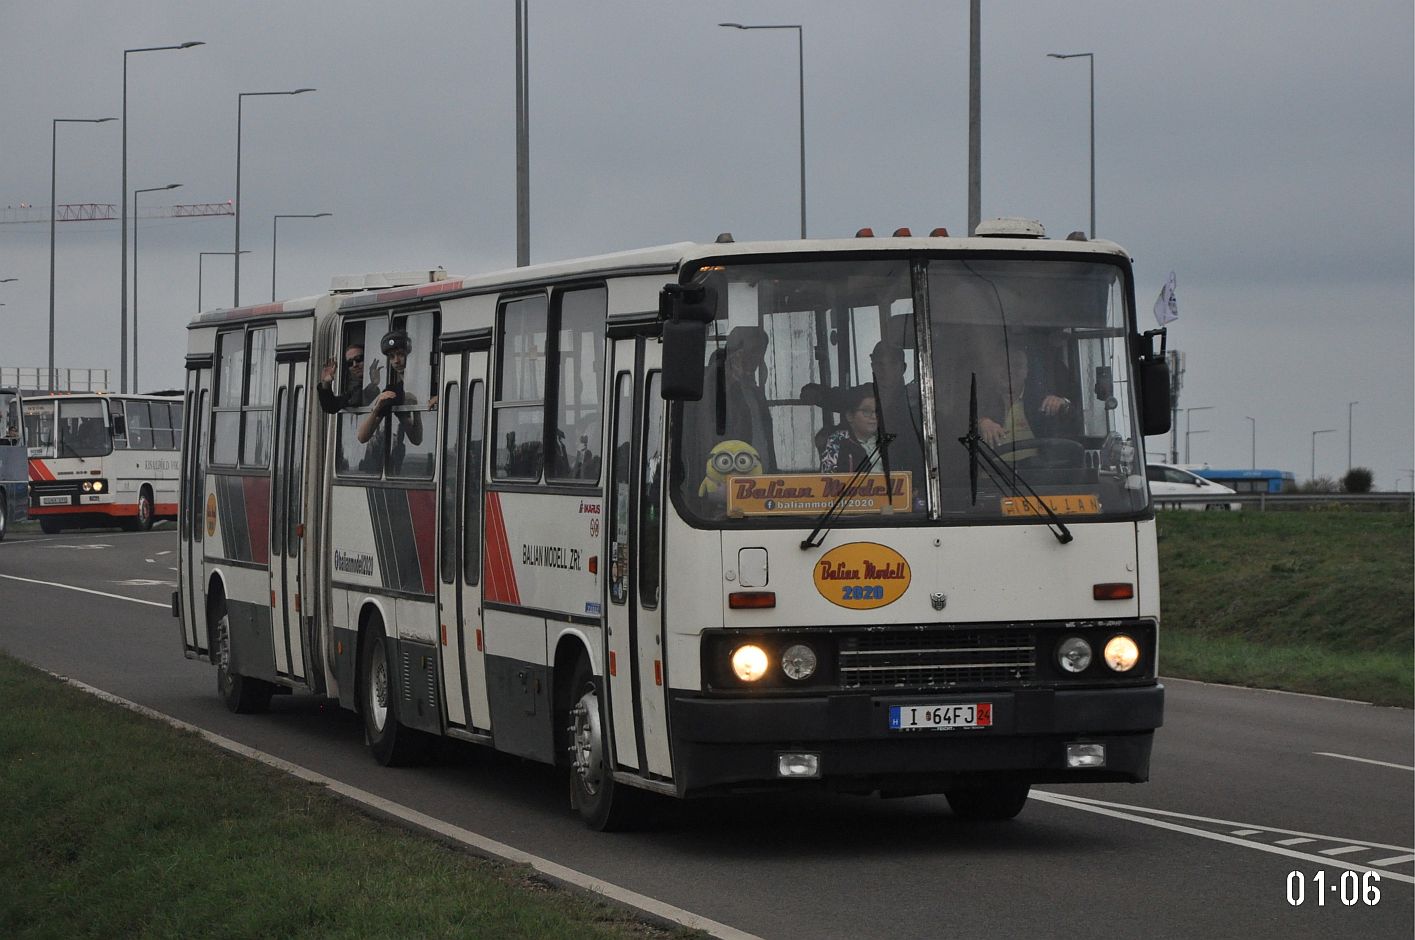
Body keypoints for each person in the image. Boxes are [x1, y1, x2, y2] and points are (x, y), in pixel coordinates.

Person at [357, 330, 435, 472]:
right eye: (392, 357)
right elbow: (362, 437)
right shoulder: (394, 391)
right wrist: (377, 407)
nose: (396, 361)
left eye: (400, 355)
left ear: (409, 355)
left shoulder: (431, 379)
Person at [819, 385, 879, 473]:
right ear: (850, 416)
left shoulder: (888, 440)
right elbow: (827, 481)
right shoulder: (837, 441)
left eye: (877, 411)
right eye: (866, 411)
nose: (874, 416)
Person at [317, 343, 380, 414]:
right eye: (350, 363)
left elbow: (361, 400)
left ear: (367, 359)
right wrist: (325, 382)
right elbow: (331, 407)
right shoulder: (354, 388)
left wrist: (374, 384)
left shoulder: (383, 377)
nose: (354, 365)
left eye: (358, 359)